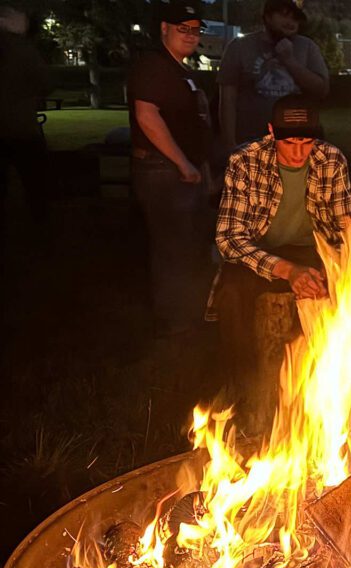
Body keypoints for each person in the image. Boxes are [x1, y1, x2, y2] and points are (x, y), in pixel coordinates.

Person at [208, 95, 351, 419]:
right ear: (272, 132)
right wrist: (287, 271)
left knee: (337, 293)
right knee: (232, 294)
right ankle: (243, 388)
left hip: (314, 249)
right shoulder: (245, 161)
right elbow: (228, 237)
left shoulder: (331, 160)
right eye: (290, 142)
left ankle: (318, 392)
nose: (299, 152)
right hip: (260, 248)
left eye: (307, 142)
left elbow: (348, 231)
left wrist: (338, 268)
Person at [127, 0, 215, 337]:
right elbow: (147, 116)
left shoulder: (179, 69)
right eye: (183, 29)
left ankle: (191, 311)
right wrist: (182, 163)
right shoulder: (154, 66)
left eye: (195, 30)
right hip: (163, 171)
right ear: (164, 28)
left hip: (183, 169)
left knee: (188, 241)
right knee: (173, 246)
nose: (191, 36)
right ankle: (178, 321)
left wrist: (199, 167)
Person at [218, 0, 329, 147]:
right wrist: (230, 143)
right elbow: (227, 100)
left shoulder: (307, 47)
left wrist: (290, 61)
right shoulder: (240, 47)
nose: (291, 22)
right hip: (251, 144)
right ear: (267, 17)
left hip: (297, 146)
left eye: (295, 18)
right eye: (284, 16)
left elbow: (322, 90)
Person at [0, 3, 51, 231]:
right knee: (35, 182)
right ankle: (41, 227)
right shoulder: (24, 50)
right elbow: (46, 82)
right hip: (22, 127)